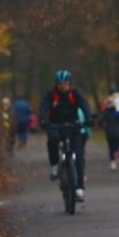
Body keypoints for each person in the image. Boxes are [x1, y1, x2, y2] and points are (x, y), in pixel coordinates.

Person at [39, 70, 93, 202]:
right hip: (56, 125)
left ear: (70, 84)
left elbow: (85, 106)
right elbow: (44, 108)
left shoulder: (75, 94)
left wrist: (88, 119)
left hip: (73, 126)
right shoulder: (51, 95)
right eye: (60, 84)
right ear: (56, 84)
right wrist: (43, 120)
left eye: (66, 83)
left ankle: (80, 188)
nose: (63, 86)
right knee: (53, 140)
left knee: (79, 157)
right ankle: (54, 166)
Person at [101, 90, 119, 171]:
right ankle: (118, 154)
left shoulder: (106, 112)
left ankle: (113, 162)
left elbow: (101, 120)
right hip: (118, 131)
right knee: (117, 145)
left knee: (111, 147)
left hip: (109, 131)